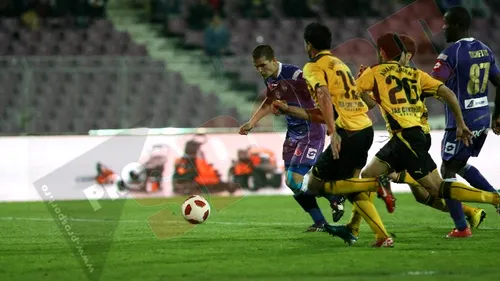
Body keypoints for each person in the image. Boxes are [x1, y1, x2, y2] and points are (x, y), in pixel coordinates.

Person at [351, 32, 500, 239]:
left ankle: (494, 199)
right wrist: (460, 122)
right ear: (404, 54)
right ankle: (354, 227)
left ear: (382, 52)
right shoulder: (417, 74)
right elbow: (447, 93)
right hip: (412, 136)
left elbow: (357, 97)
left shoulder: (374, 72)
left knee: (438, 189)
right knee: (370, 175)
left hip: (407, 138)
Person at [296, 22, 395, 247]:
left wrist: (333, 132)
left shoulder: (313, 66)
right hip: (364, 128)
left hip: (347, 132)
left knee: (314, 185)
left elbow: (322, 94)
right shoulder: (340, 64)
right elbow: (354, 103)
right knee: (350, 187)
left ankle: (376, 184)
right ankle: (381, 235)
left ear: (308, 45)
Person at [239, 45, 345, 231]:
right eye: (256, 67)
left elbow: (321, 94)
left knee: (295, 180)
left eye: (262, 65)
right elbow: (270, 100)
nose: (260, 70)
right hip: (293, 132)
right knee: (293, 184)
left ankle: (334, 196)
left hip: (311, 130)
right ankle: (320, 222)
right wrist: (251, 122)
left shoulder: (295, 75)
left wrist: (330, 122)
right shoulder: (270, 78)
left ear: (273, 60)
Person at [430, 6, 500, 237]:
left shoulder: (451, 54)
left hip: (462, 122)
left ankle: (461, 227)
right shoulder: (485, 49)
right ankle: (496, 197)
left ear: (458, 26)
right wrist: (498, 114)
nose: (443, 28)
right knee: (458, 164)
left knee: (447, 170)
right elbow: (499, 82)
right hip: (482, 117)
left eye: (447, 24)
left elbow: (432, 85)